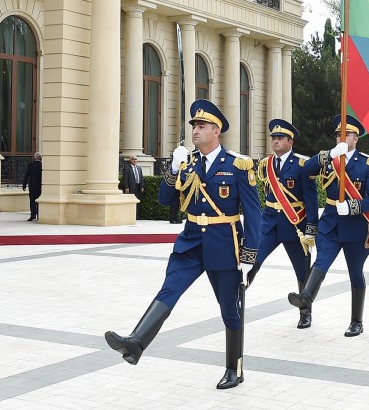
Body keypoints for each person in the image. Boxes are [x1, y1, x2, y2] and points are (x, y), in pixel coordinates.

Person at [104, 100, 260, 390]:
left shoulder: (238, 165)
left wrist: (250, 255)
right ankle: (136, 342)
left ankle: (233, 368)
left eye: (201, 126)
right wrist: (173, 169)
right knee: (170, 289)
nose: (195, 131)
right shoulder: (188, 165)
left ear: (216, 131)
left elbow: (254, 214)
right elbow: (165, 200)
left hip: (225, 243)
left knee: (229, 309)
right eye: (194, 126)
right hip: (190, 242)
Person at [288, 114, 369, 338]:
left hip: (356, 226)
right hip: (330, 223)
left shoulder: (368, 163)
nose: (340, 138)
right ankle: (306, 297)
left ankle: (356, 321)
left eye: (345, 135)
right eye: (338, 134)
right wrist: (330, 154)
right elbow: (306, 171)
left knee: (355, 273)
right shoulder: (330, 159)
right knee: (322, 261)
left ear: (355, 138)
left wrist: (353, 207)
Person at [248, 118, 320, 329]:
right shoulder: (266, 164)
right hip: (269, 223)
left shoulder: (302, 164)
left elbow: (311, 199)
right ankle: (238, 295)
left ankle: (305, 312)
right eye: (274, 138)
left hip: (295, 224)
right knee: (252, 260)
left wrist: (311, 228)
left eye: (280, 138)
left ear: (290, 142)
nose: (276, 141)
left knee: (302, 271)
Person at [22, 153, 43, 222]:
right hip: (40, 186)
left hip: (32, 186)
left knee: (32, 201)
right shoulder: (42, 165)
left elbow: (27, 175)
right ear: (40, 158)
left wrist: (24, 185)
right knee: (39, 201)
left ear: (35, 158)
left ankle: (32, 215)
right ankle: (39, 215)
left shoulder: (30, 165)